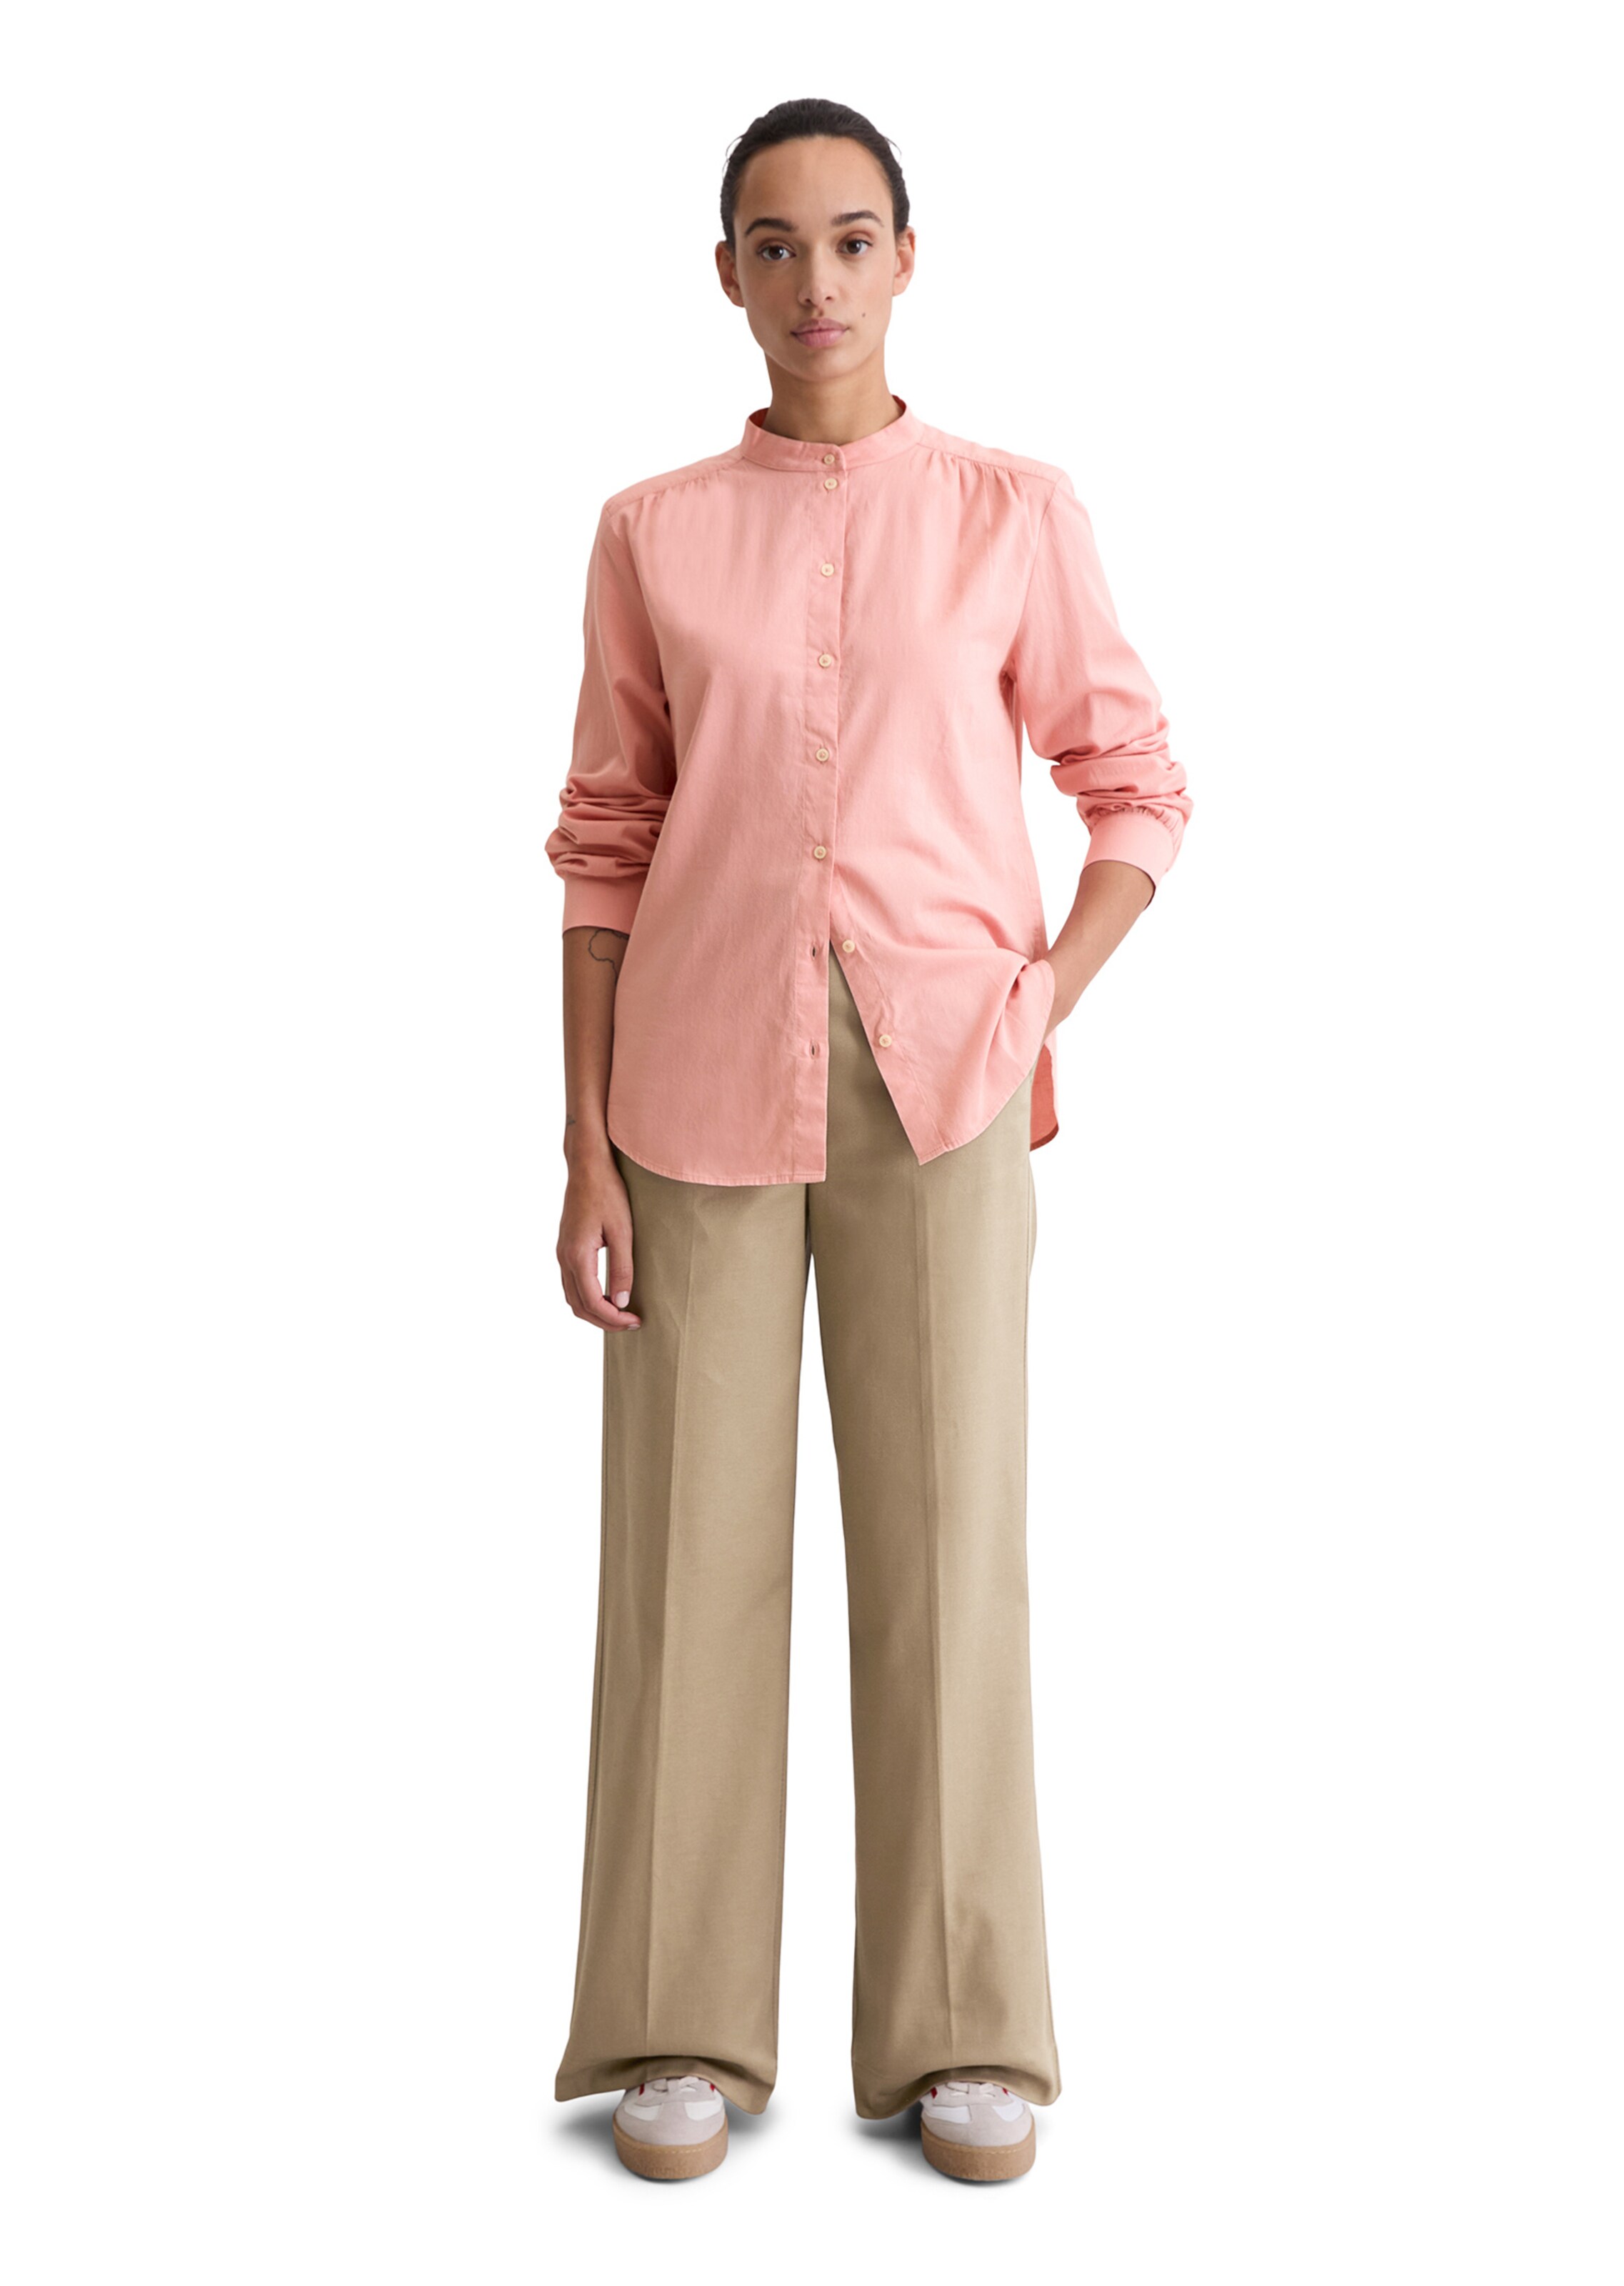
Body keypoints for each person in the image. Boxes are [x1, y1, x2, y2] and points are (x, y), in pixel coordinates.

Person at [546, 96, 1192, 2183]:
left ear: (907, 258)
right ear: (725, 277)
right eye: (772, 243)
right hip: (691, 1086)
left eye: (848, 239)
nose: (813, 280)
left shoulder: (1014, 510)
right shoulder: (650, 531)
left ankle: (964, 2030)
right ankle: (676, 2027)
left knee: (946, 1547)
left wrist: (1038, 997)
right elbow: (605, 842)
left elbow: (1135, 778)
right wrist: (580, 1150)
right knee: (684, 1560)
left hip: (944, 1080)